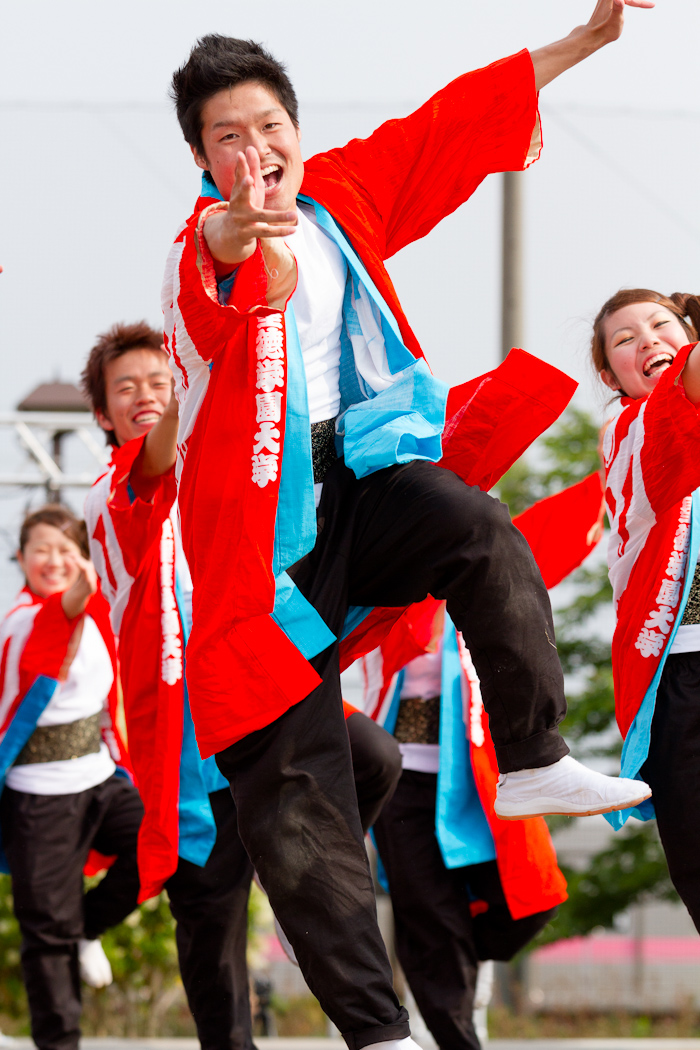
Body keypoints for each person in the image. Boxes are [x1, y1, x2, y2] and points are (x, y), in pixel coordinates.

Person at [162, 6, 653, 1047]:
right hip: (269, 547)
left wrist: (585, 40)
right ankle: (378, 1030)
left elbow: (450, 122)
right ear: (203, 160)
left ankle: (528, 753)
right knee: (297, 799)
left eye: (267, 127)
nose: (255, 153)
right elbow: (209, 274)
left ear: (298, 126)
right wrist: (230, 232)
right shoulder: (198, 249)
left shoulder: (343, 192)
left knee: (474, 525)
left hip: (365, 481)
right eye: (226, 139)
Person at [81, 321, 403, 1044]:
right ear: (103, 413)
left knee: (375, 758)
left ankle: (302, 886)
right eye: (126, 388)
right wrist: (197, 376)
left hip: (256, 699)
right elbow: (158, 457)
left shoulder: (228, 481)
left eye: (160, 383)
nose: (146, 396)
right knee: (210, 922)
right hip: (189, 746)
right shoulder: (113, 493)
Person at [363, 477, 606, 1050]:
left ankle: (455, 957)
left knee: (533, 897)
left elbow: (554, 530)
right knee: (426, 916)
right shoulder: (380, 561)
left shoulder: (484, 556)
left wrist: (611, 457)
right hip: (399, 772)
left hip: (476, 775)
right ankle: (451, 1009)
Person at [0, 505, 141, 1050]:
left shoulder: (99, 613)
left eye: (67, 550)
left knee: (161, 846)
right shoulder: (19, 620)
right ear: (21, 558)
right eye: (42, 549)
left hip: (101, 779)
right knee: (45, 936)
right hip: (39, 797)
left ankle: (86, 926)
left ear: (83, 556)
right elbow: (55, 619)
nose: (54, 561)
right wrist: (81, 589)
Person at [591, 289, 700, 932]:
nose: (648, 341)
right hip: (683, 673)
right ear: (610, 375)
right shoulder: (632, 427)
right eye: (625, 339)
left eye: (661, 325)